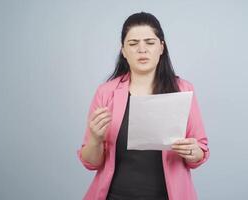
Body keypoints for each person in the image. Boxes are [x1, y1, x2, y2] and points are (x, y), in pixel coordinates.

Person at [77, 12, 209, 200]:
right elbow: (91, 162)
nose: (142, 49)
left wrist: (193, 151)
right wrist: (96, 139)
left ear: (161, 47)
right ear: (123, 50)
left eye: (149, 42)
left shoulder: (183, 90)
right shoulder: (105, 92)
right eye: (133, 44)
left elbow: (199, 153)